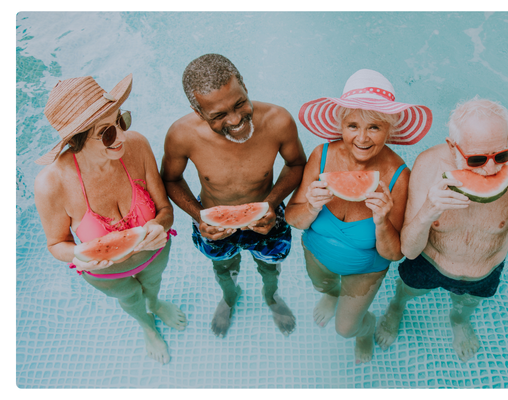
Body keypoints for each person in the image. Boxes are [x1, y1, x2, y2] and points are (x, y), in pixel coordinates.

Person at [375, 96, 508, 362]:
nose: (490, 169)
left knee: (467, 304)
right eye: (476, 159)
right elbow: (409, 248)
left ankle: (459, 322)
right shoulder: (428, 165)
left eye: (501, 155)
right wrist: (429, 210)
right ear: (453, 147)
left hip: (484, 272)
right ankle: (396, 308)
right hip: (429, 263)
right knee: (408, 291)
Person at [34, 74, 187, 365]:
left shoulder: (137, 145)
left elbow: (164, 209)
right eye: (107, 133)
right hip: (108, 275)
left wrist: (159, 224)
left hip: (155, 254)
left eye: (122, 121)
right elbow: (56, 244)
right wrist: (79, 253)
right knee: (130, 299)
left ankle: (155, 305)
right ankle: (146, 326)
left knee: (152, 287)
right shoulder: (52, 183)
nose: (122, 136)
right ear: (76, 140)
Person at [285, 69, 433, 364]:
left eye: (374, 128)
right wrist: (312, 206)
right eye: (353, 125)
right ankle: (330, 294)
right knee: (323, 286)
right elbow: (293, 219)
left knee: (345, 328)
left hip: (364, 272)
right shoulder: (321, 155)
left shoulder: (400, 177)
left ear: (389, 131)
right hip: (316, 254)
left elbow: (394, 254)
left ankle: (364, 330)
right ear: (341, 125)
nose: (362, 138)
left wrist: (381, 221)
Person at [161, 54, 306, 338]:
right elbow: (170, 179)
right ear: (197, 110)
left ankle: (271, 297)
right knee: (224, 268)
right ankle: (228, 297)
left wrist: (272, 204)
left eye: (239, 103)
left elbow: (296, 164)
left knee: (270, 267)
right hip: (213, 225)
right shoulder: (181, 135)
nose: (236, 119)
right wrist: (199, 216)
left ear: (244, 85)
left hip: (269, 218)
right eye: (218, 115)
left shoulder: (278, 120)